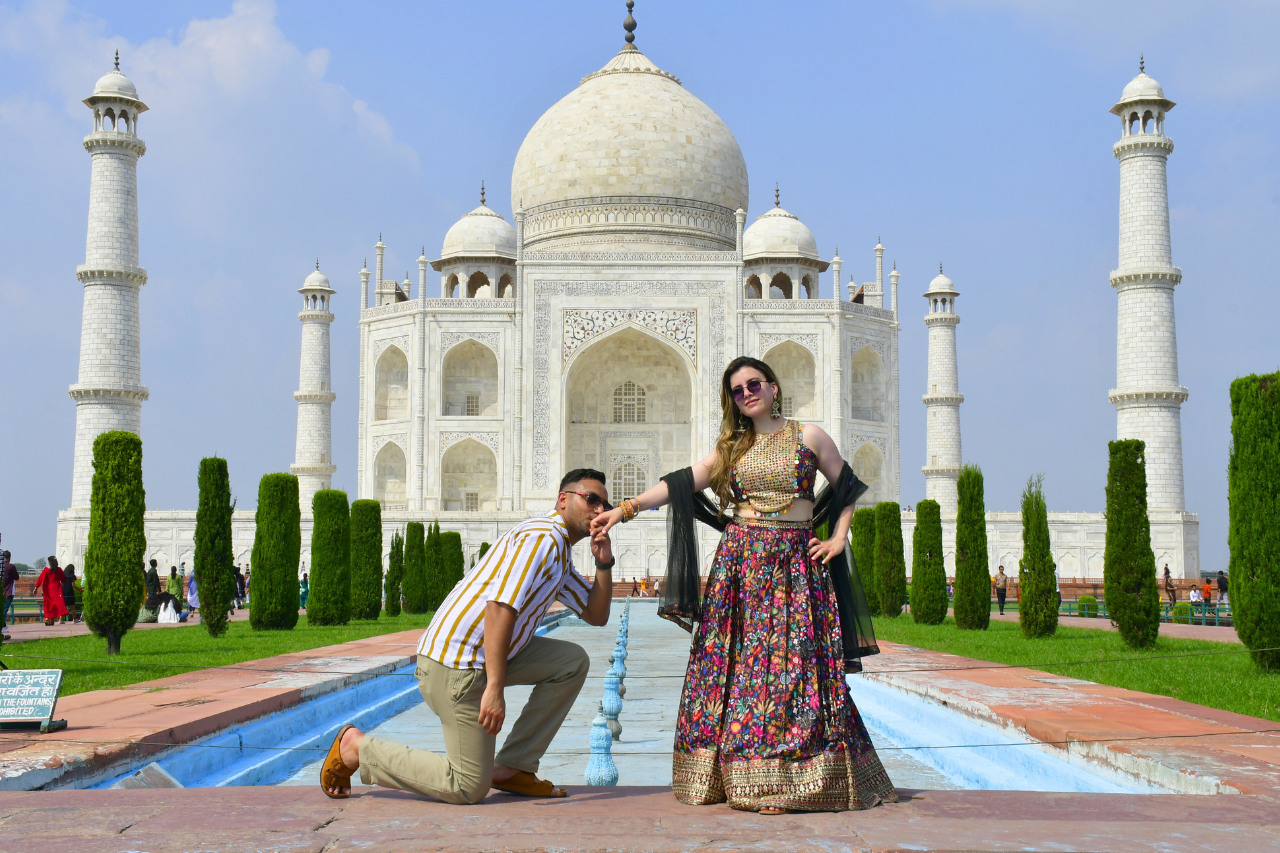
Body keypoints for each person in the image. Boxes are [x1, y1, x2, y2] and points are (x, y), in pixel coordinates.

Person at [592, 356, 894, 815]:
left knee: (795, 671)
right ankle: (743, 778)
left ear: (773, 388)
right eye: (737, 390)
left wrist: (837, 537)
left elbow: (847, 484)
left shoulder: (807, 435)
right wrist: (625, 509)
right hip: (742, 566)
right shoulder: (732, 448)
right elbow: (680, 482)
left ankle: (793, 780)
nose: (747, 393)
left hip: (795, 565)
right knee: (741, 671)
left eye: (754, 384)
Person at [321, 468, 618, 803]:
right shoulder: (543, 538)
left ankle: (512, 767)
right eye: (591, 499)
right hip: (455, 667)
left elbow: (597, 615)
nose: (599, 510)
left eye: (605, 504)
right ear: (563, 500)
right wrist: (494, 688)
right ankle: (357, 748)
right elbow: (499, 608)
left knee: (571, 662)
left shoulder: (559, 550)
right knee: (467, 787)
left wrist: (603, 564)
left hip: (480, 658)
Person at [34, 556, 68, 626]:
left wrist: (36, 588)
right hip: (56, 589)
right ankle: (52, 618)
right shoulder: (59, 570)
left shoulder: (46, 570)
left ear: (50, 563)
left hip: (48, 589)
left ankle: (47, 618)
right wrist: (59, 587)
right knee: (56, 604)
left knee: (48, 604)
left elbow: (40, 579)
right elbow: (63, 581)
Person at [2, 550, 18, 639]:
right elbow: (17, 577)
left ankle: (3, 624)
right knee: (4, 609)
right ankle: (2, 626)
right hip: (8, 591)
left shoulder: (1, 566)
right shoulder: (11, 567)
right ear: (9, 557)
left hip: (1, 590)